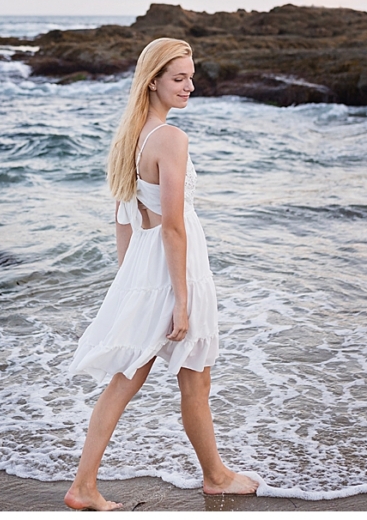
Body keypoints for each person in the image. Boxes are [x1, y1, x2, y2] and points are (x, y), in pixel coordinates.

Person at [65, 38, 259, 510]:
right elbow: (173, 225)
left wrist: (131, 280)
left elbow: (123, 217)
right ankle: (88, 487)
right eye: (179, 78)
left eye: (192, 76)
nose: (190, 85)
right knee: (178, 377)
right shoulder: (169, 138)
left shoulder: (133, 137)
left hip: (149, 267)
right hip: (177, 270)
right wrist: (181, 299)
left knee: (153, 377)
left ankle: (211, 474)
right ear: (153, 81)